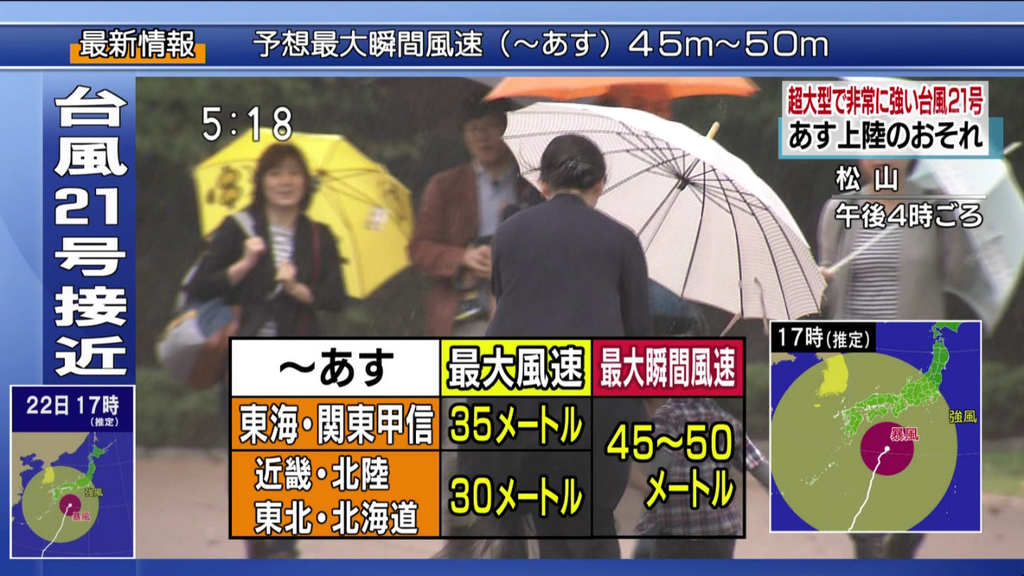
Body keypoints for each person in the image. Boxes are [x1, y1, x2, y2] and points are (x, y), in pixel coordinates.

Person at [438, 133, 651, 559]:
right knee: (588, 521)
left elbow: (504, 305)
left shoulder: (508, 233)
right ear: (600, 185)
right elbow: (637, 342)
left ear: (542, 183)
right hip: (591, 406)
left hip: (508, 398)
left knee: (516, 517)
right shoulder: (622, 240)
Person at [186, 143, 347, 559]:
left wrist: (299, 289)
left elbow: (336, 297)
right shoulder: (237, 229)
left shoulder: (318, 235)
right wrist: (242, 265)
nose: (285, 181)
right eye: (276, 173)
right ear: (261, 182)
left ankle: (284, 547)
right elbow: (199, 285)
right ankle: (262, 550)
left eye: (294, 173)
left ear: (306, 182)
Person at [817, 157, 981, 559]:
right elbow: (824, 285)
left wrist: (957, 216)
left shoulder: (935, 207)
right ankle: (870, 548)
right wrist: (817, 278)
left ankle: (901, 545)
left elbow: (961, 277)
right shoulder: (841, 209)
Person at [409, 97, 541, 541]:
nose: (483, 137)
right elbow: (420, 249)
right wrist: (463, 257)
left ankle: (514, 520)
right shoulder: (446, 185)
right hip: (465, 317)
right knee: (458, 424)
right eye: (473, 130)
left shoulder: (532, 185)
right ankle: (460, 526)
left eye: (490, 126)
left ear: (506, 129)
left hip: (522, 316)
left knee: (520, 424)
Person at [631, 397, 771, 559]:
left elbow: (625, 464)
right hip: (718, 531)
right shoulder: (725, 422)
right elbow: (758, 465)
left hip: (673, 531)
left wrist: (646, 488)